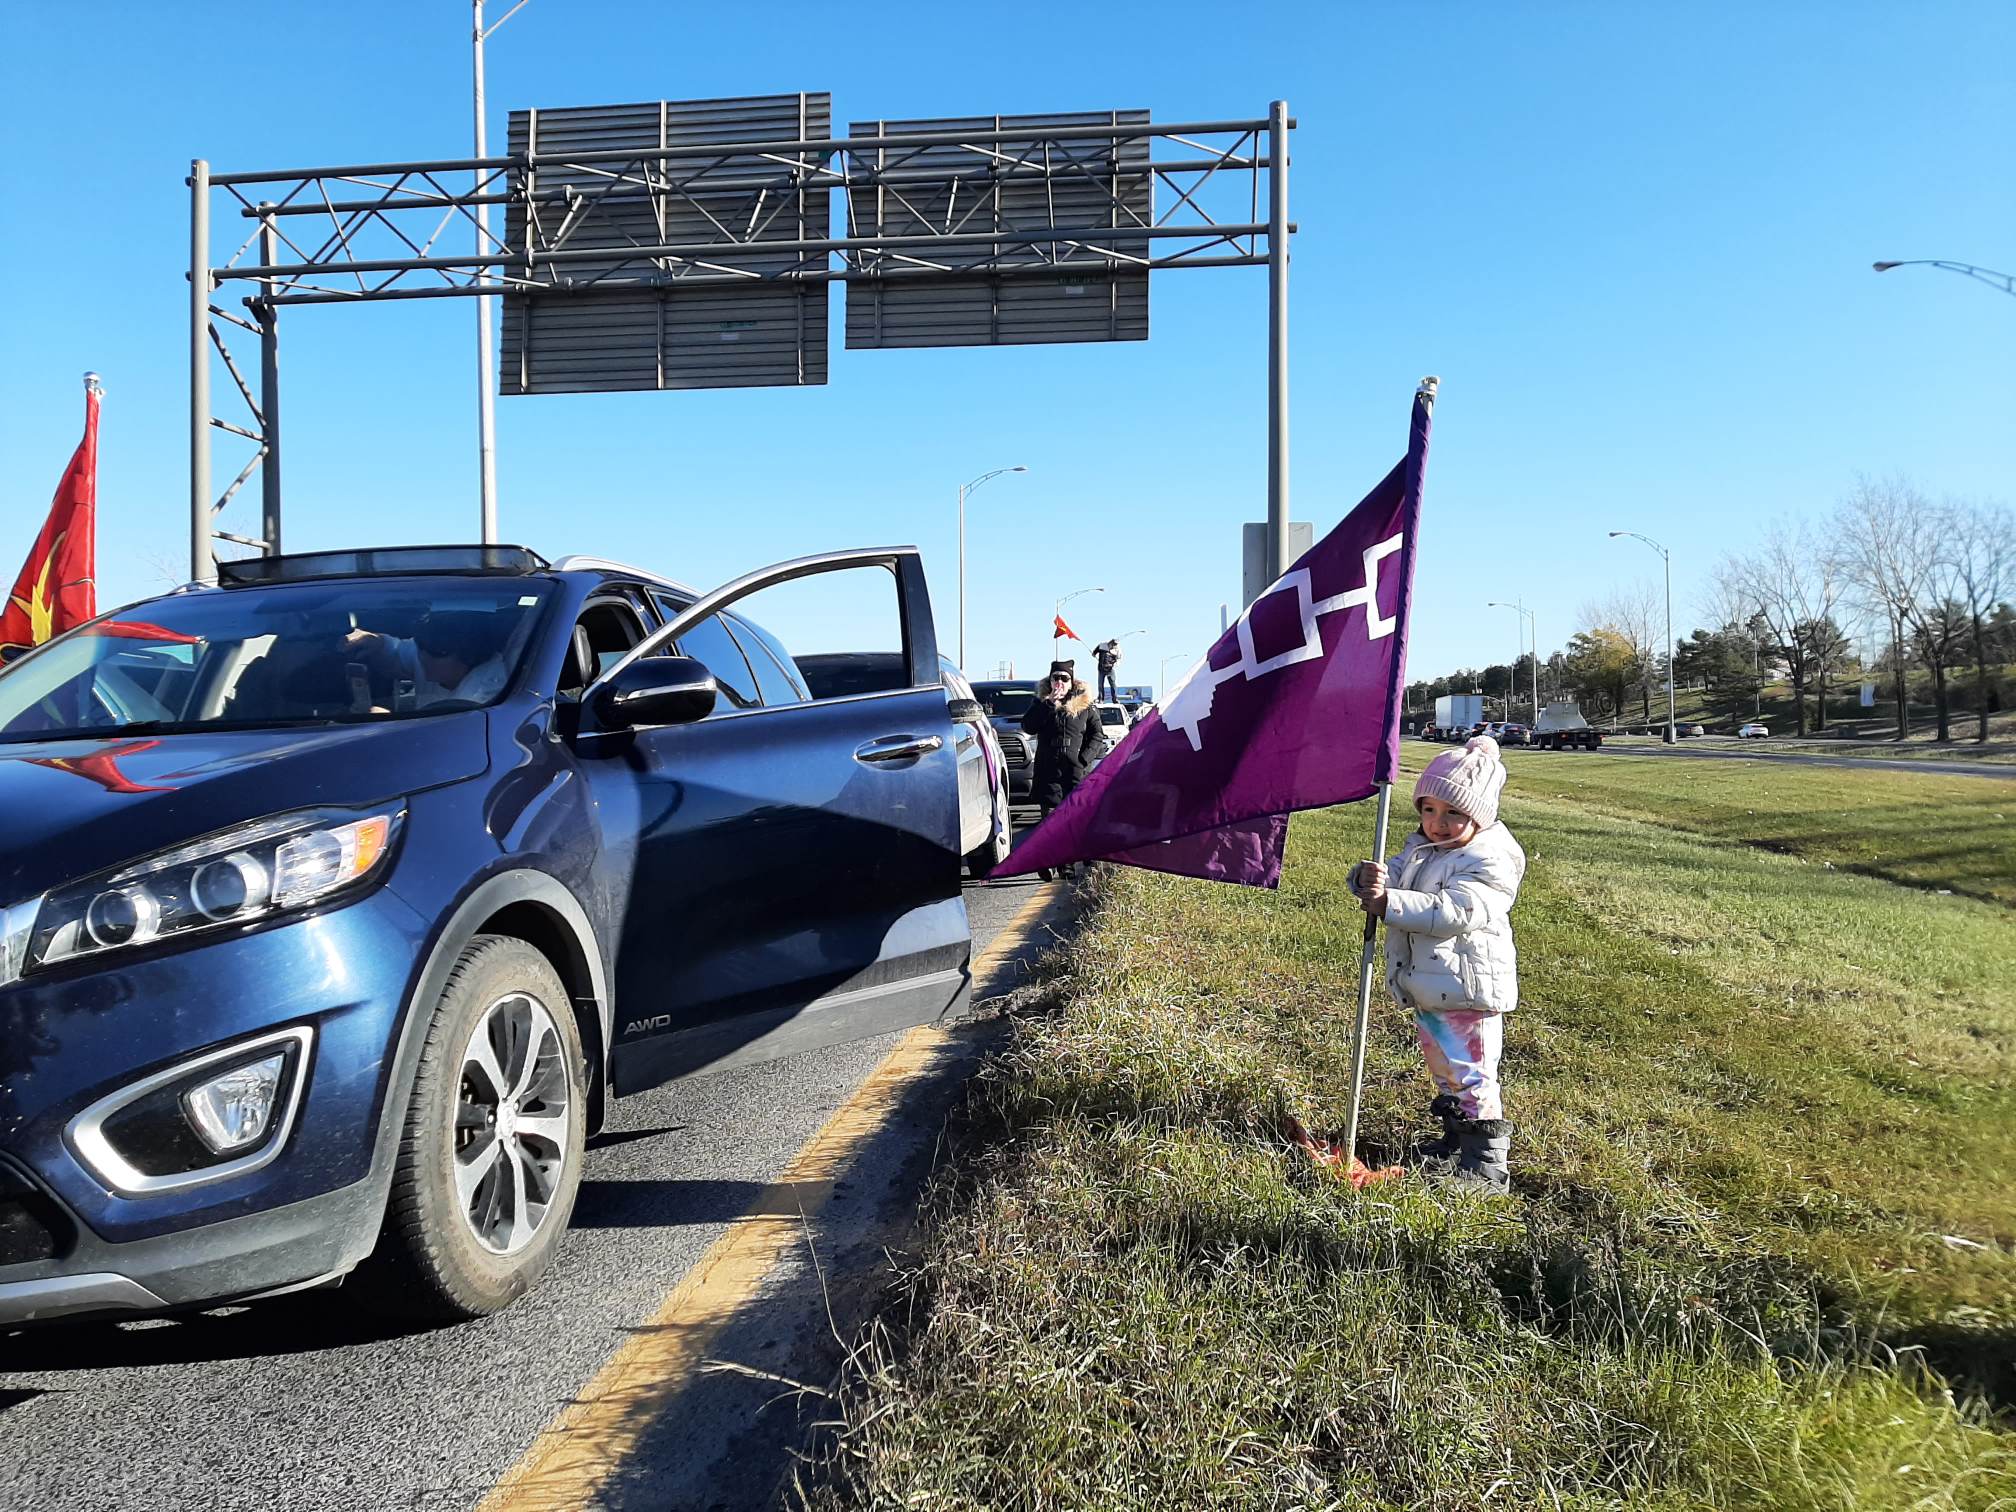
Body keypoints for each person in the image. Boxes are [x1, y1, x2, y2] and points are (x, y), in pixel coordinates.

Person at [1349, 736, 1526, 1193]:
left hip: (1468, 987)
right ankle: (1455, 1141)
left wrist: (1389, 903)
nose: (1438, 823)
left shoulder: (1490, 859)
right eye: (1429, 810)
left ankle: (1486, 1166)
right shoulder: (1423, 847)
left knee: (1471, 1073)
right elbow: (1396, 872)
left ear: (1480, 816)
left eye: (1453, 813)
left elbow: (1456, 912)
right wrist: (1370, 880)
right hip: (1431, 984)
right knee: (1445, 1069)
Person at [1019, 659, 1105, 880]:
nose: (1059, 682)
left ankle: (1065, 862)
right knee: (1051, 820)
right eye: (1055, 678)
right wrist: (1048, 703)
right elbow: (1028, 726)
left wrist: (1084, 759)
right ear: (1050, 681)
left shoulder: (1084, 705)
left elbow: (1097, 735)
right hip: (1048, 769)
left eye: (1064, 678)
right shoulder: (1041, 703)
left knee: (1073, 818)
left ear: (1072, 681)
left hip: (1074, 770)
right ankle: (1051, 861)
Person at [1093, 637, 1122, 702]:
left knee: (1113, 684)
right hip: (1101, 668)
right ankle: (1101, 699)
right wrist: (1094, 654)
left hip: (1110, 669)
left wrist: (1115, 665)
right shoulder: (1102, 645)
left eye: (1115, 645)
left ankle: (1115, 699)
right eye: (1113, 645)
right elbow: (1094, 652)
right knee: (1100, 685)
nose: (1113, 646)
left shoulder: (1117, 650)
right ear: (1110, 642)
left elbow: (1119, 659)